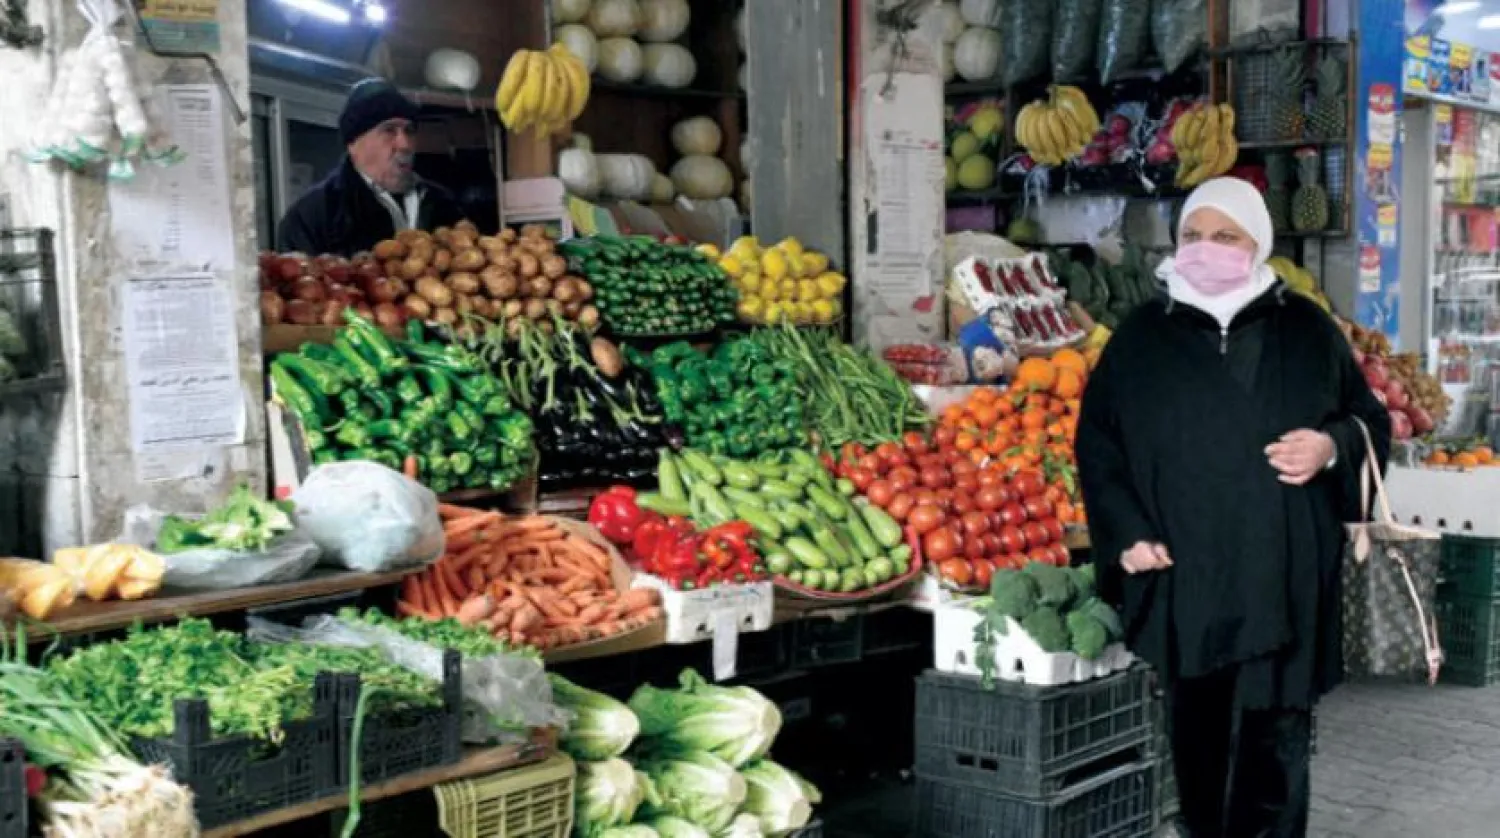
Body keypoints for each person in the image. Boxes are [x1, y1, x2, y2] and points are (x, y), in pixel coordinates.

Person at [1074, 177, 1390, 838]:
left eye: (1226, 237)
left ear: (1258, 244)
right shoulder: (1140, 338)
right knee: (1195, 741)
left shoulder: (1306, 328)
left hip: (1282, 573)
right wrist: (1126, 531)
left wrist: (1330, 447)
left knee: (1276, 748)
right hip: (1187, 575)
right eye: (1193, 236)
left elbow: (1369, 419)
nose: (1205, 248)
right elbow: (1098, 442)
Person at [277, 78, 465, 256]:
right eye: (389, 130)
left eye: (409, 130)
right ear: (353, 143)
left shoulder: (442, 203)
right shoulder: (312, 216)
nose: (405, 144)